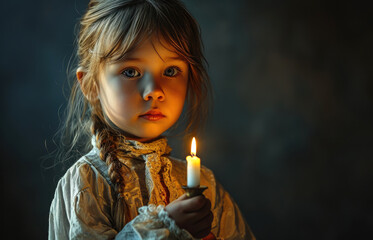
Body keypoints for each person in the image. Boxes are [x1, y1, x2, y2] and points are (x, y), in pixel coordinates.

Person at [48, 0, 255, 239]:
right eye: (130, 72)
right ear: (91, 85)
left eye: (170, 71)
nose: (154, 90)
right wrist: (166, 226)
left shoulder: (207, 187)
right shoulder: (84, 185)